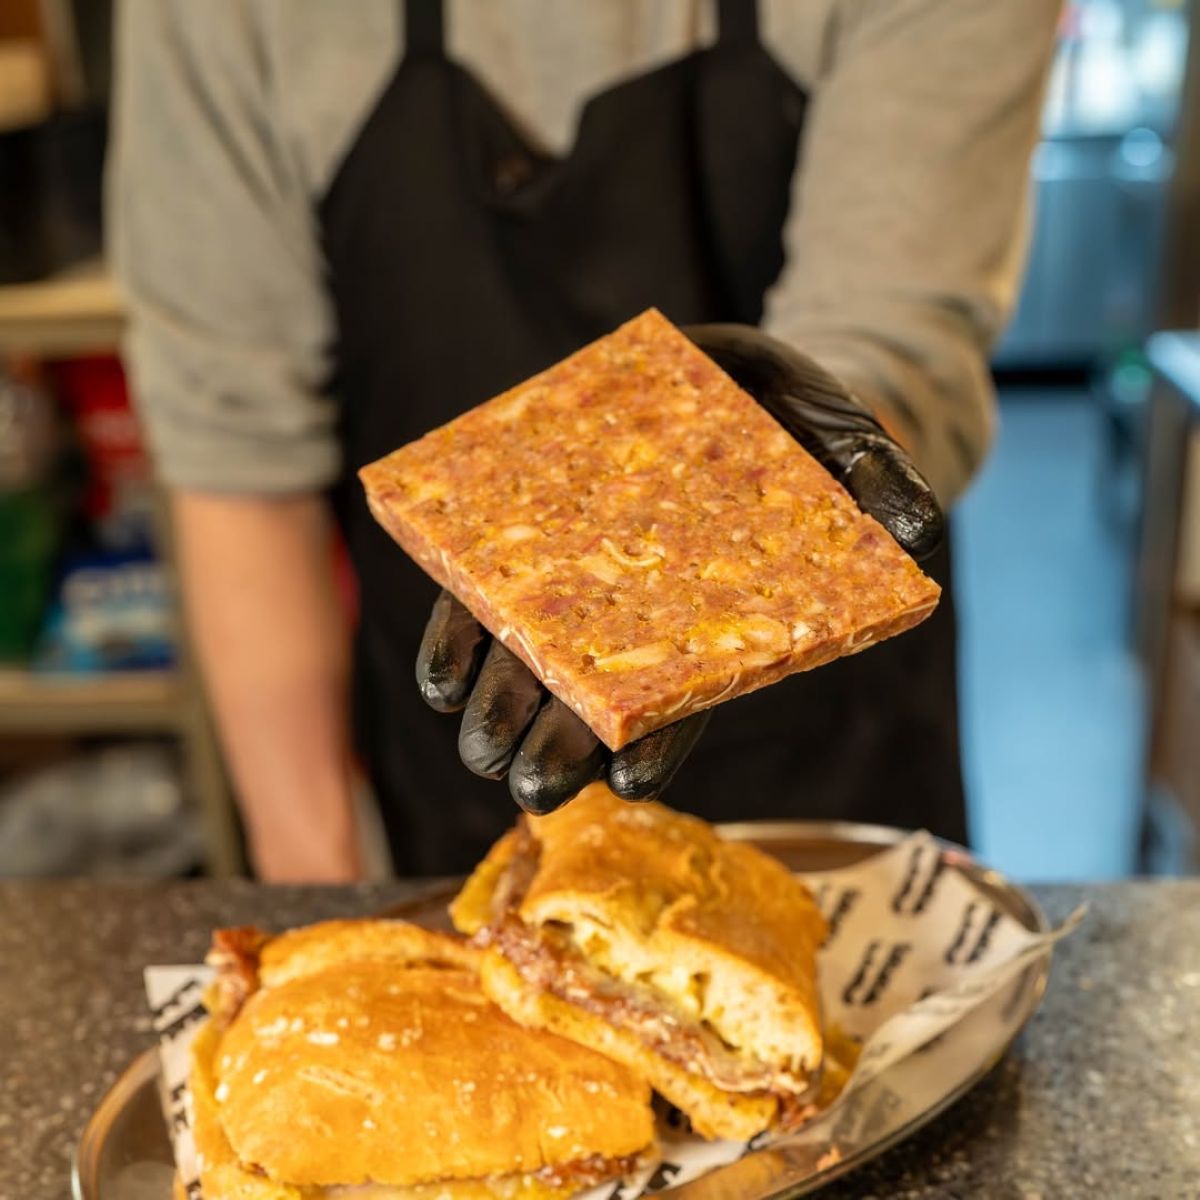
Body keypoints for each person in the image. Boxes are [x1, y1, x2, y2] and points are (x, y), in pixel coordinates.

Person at [109, 0, 1061, 880]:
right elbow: (237, 460)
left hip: (836, 775)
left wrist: (771, 487)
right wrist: (314, 881)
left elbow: (894, 331)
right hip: (468, 744)